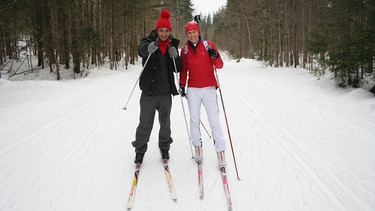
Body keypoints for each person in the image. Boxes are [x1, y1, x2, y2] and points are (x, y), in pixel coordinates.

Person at [132, 9, 182, 164]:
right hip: (149, 93)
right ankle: (140, 150)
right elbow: (141, 50)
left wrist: (176, 56)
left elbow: (177, 68)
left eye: (167, 31)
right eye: (161, 30)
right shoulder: (148, 41)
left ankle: (164, 147)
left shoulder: (172, 45)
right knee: (145, 123)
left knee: (165, 123)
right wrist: (148, 49)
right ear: (157, 30)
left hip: (165, 93)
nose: (164, 34)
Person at [179, 20, 226, 168]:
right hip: (193, 89)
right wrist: (182, 84)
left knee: (214, 121)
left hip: (209, 89)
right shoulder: (185, 50)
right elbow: (184, 69)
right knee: (194, 120)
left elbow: (220, 65)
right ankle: (198, 149)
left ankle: (220, 151)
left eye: (194, 32)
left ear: (198, 32)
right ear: (187, 34)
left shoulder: (209, 45)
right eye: (189, 33)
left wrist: (215, 55)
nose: (192, 35)